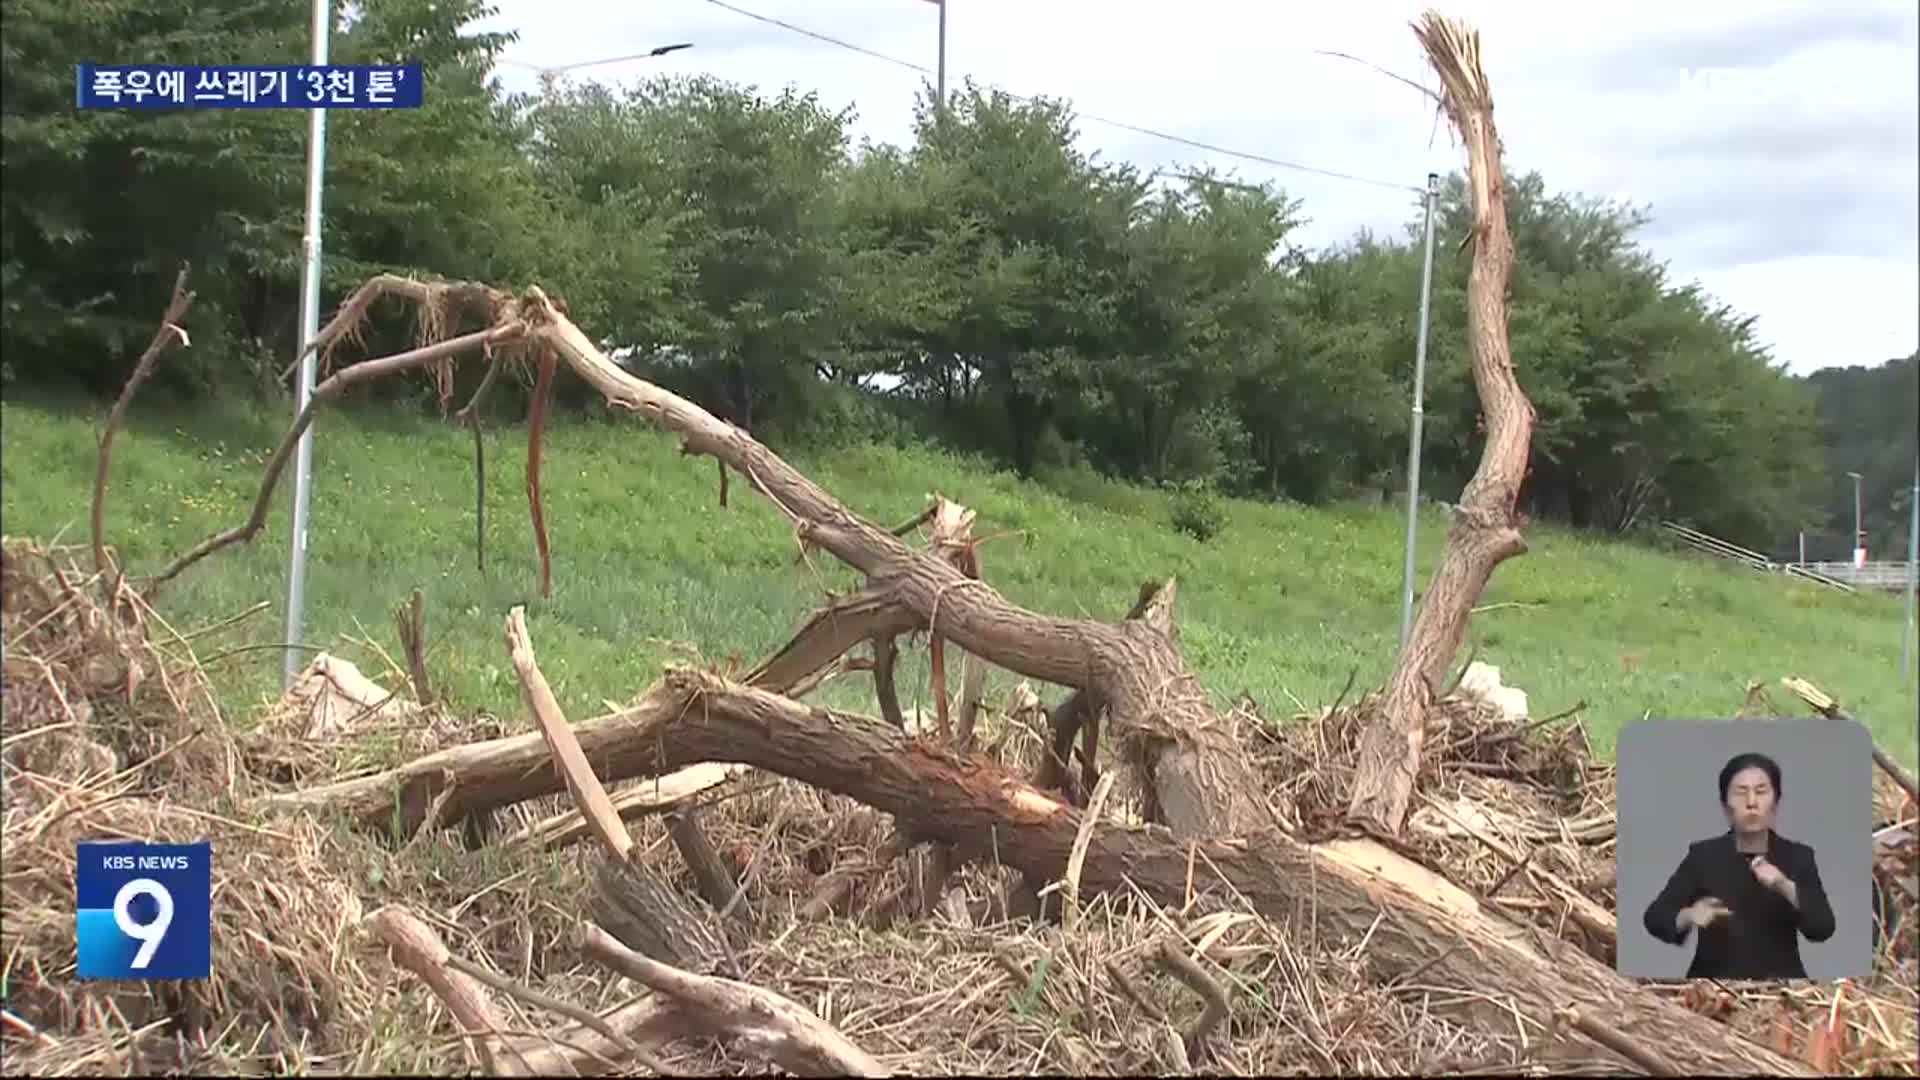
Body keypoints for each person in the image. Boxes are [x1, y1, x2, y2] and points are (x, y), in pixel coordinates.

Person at [1641, 750, 1836, 979]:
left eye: (1761, 792)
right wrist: (1689, 914)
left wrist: (1783, 885)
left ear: (1775, 803)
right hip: (1713, 989)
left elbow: (1823, 927)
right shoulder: (1703, 856)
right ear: (1725, 805)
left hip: (1779, 991)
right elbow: (1654, 917)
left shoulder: (1798, 856)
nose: (1751, 803)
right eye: (1741, 793)